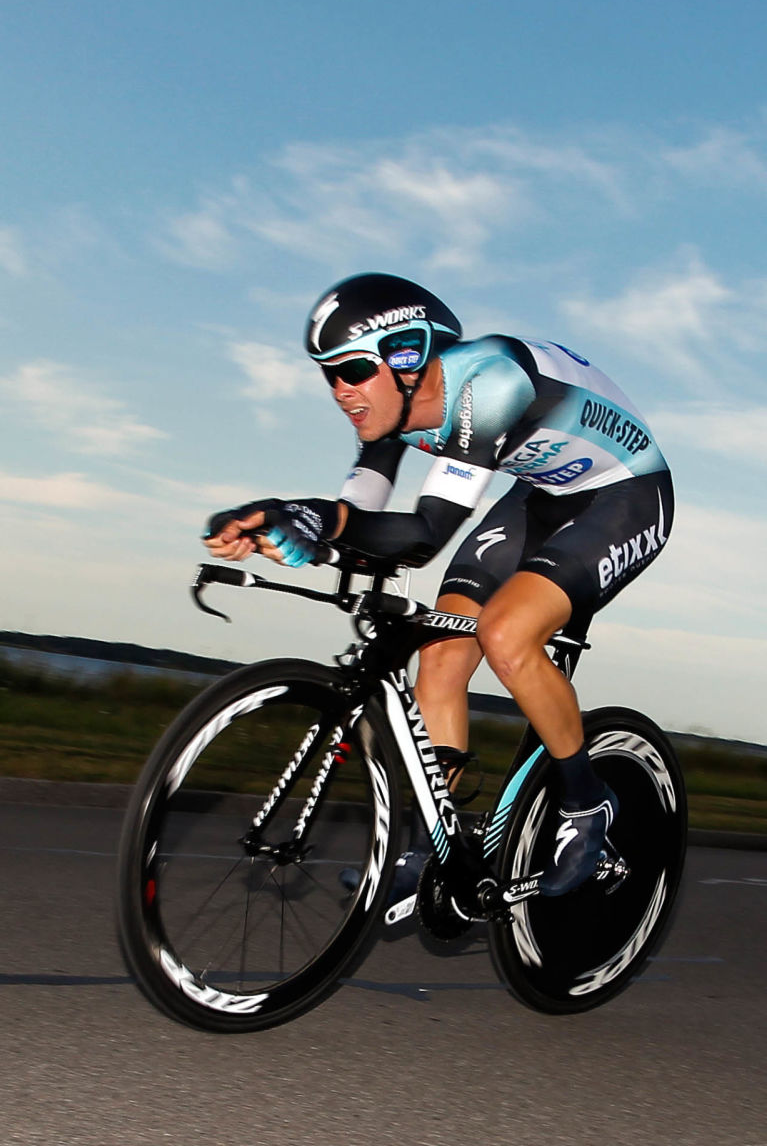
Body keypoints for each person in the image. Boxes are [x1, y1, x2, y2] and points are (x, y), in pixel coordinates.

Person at [205, 273, 674, 902]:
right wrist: (298, 528)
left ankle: (589, 806)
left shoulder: (493, 383)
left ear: (407, 356)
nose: (340, 390)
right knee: (442, 655)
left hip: (627, 495)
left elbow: (424, 533)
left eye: (351, 369)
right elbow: (359, 510)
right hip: (540, 495)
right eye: (328, 374)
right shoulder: (389, 410)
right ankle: (438, 848)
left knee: (505, 635)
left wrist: (315, 520)